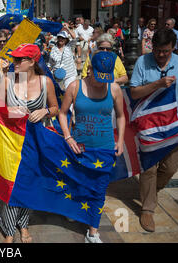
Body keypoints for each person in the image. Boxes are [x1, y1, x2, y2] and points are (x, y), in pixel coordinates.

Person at [0, 43, 59, 243]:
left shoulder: (46, 82)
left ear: (32, 62)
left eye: (19, 59)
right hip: (10, 141)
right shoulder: (7, 81)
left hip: (35, 143)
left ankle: (24, 224)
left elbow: (55, 108)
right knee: (12, 182)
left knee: (29, 182)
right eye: (14, 59)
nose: (15, 62)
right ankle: (10, 230)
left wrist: (45, 111)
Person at [130, 28, 178, 233]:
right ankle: (147, 208)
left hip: (174, 126)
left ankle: (151, 191)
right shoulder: (142, 62)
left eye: (165, 51)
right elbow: (133, 92)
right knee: (148, 168)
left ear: (173, 48)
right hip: (148, 126)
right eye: (158, 51)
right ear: (153, 47)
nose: (161, 55)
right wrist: (157, 84)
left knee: (169, 167)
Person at [58, 51, 125, 243]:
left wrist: (120, 140)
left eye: (106, 77)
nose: (102, 82)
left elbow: (120, 116)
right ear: (89, 69)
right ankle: (76, 209)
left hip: (105, 148)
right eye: (99, 77)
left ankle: (93, 232)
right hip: (79, 148)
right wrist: (68, 137)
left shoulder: (114, 89)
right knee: (78, 183)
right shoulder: (74, 87)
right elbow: (63, 114)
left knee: (99, 190)